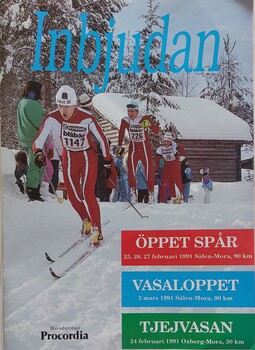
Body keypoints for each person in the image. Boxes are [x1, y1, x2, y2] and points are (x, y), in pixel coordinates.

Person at [32, 85, 111, 247]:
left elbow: (102, 139)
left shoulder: (87, 117)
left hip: (87, 156)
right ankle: (86, 220)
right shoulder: (51, 118)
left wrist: (108, 161)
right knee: (74, 196)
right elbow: (39, 139)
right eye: (60, 105)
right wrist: (38, 152)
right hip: (69, 157)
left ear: (74, 104)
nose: (63, 110)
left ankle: (98, 230)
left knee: (88, 193)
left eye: (67, 105)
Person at [118, 100, 159, 193]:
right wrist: (119, 145)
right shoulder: (125, 120)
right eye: (128, 111)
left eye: (132, 111)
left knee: (148, 169)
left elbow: (156, 131)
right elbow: (121, 133)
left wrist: (149, 124)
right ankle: (133, 191)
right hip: (133, 148)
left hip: (145, 147)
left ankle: (151, 191)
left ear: (137, 111)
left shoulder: (144, 118)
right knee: (131, 168)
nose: (130, 113)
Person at [17, 80, 46, 201]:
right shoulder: (32, 104)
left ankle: (34, 190)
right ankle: (33, 192)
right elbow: (41, 123)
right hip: (35, 139)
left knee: (38, 165)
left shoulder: (22, 103)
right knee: (36, 165)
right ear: (34, 92)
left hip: (26, 137)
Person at [156, 132, 183, 203]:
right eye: (165, 141)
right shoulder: (160, 149)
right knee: (165, 183)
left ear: (170, 141)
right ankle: (163, 200)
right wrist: (157, 171)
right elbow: (157, 161)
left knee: (178, 181)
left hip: (174, 166)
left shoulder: (174, 146)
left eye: (168, 141)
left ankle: (181, 197)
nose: (166, 143)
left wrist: (178, 146)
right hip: (166, 167)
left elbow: (183, 152)